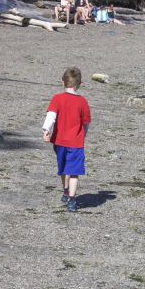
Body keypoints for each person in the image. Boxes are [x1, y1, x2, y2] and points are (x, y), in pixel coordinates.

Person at [42, 66, 91, 212]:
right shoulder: (82, 102)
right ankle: (71, 199)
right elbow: (86, 123)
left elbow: (51, 116)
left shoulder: (57, 99)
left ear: (62, 82)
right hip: (76, 142)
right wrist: (84, 135)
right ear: (80, 84)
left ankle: (66, 190)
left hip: (59, 141)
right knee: (74, 171)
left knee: (63, 168)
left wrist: (46, 131)